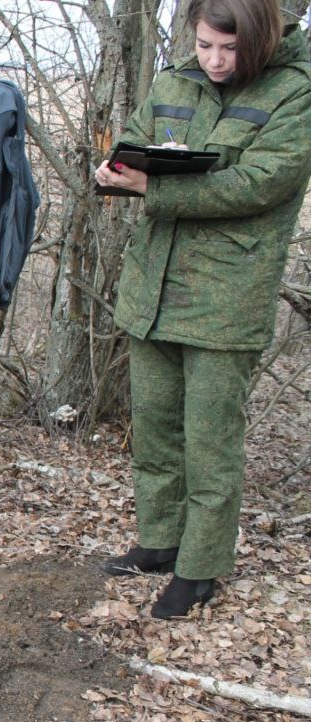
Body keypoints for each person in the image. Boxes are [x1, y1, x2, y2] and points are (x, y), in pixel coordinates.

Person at [93, 0, 311, 618]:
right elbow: (134, 140)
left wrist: (153, 187)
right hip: (153, 288)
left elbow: (260, 183)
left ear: (262, 38)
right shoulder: (174, 79)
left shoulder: (295, 92)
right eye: (205, 45)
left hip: (226, 294)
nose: (214, 61)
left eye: (230, 49)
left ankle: (201, 568)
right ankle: (161, 541)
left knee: (211, 440)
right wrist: (115, 170)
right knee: (156, 430)